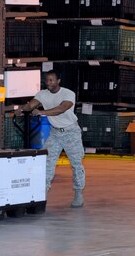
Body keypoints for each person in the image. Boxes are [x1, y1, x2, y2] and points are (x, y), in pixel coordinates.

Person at [20, 70, 85, 208]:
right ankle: (41, 194)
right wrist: (22, 108)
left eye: (51, 80)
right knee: (46, 162)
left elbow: (61, 109)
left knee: (76, 164)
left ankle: (78, 192)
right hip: (55, 133)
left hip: (71, 132)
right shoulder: (42, 94)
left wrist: (42, 112)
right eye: (47, 80)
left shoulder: (68, 94)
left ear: (58, 81)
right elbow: (32, 104)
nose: (48, 83)